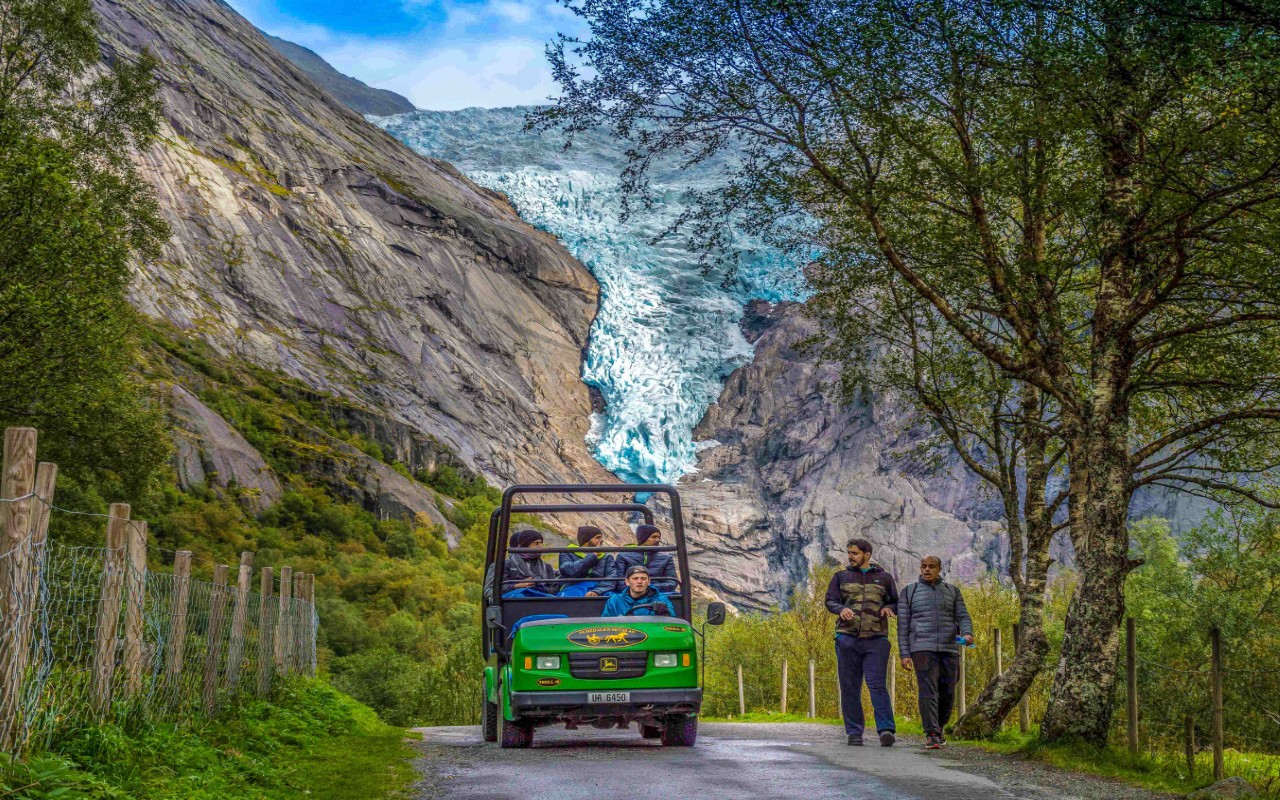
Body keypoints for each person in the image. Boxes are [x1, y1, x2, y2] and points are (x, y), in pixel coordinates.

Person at [825, 537, 899, 747]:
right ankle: (854, 732)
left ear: (867, 555)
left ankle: (886, 730)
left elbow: (895, 600)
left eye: (855, 553)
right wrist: (841, 609)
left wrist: (889, 608)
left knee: (876, 685)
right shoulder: (840, 576)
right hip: (847, 639)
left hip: (876, 640)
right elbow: (830, 600)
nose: (850, 556)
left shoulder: (884, 578)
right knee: (850, 687)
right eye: (849, 553)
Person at [898, 555, 974, 749]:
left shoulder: (952, 591)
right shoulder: (909, 592)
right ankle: (931, 733)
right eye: (924, 566)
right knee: (928, 690)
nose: (927, 570)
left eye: (931, 567)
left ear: (939, 569)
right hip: (922, 648)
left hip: (949, 648)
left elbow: (963, 616)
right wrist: (904, 654)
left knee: (948, 691)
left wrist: (967, 634)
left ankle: (939, 727)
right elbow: (903, 625)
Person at [609, 524, 678, 593]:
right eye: (654, 537)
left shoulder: (666, 558)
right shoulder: (624, 556)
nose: (658, 540)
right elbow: (619, 582)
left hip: (657, 593)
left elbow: (672, 582)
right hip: (631, 593)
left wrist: (648, 588)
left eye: (658, 537)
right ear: (643, 538)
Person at [558, 525, 613, 597]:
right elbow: (569, 571)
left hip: (598, 589)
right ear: (586, 541)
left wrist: (597, 591)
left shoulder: (607, 557)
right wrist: (593, 555)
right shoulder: (567, 553)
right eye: (597, 537)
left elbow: (611, 578)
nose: (601, 540)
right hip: (573, 587)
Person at [601, 565, 676, 617]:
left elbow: (672, 622)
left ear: (649, 581)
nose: (639, 581)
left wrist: (665, 612)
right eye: (635, 578)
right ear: (627, 582)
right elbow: (606, 625)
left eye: (643, 578)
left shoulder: (661, 600)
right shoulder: (614, 601)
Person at [501, 528, 559, 595]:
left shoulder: (547, 567)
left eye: (541, 543)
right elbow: (495, 589)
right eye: (536, 543)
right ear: (525, 544)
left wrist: (538, 587)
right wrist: (517, 586)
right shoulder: (507, 565)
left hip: (541, 601)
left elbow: (554, 590)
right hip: (517, 602)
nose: (541, 546)